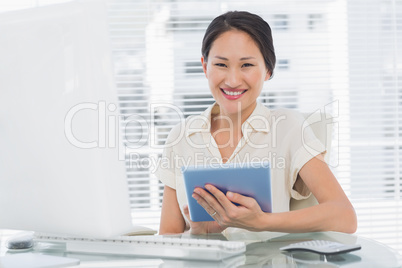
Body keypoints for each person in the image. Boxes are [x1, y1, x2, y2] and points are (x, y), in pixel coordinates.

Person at [156, 11, 357, 235]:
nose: (232, 80)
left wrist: (261, 221)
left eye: (246, 65)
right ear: (205, 67)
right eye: (221, 65)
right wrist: (200, 233)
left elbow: (344, 216)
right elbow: (168, 239)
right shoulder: (180, 137)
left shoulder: (288, 128)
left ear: (268, 70)